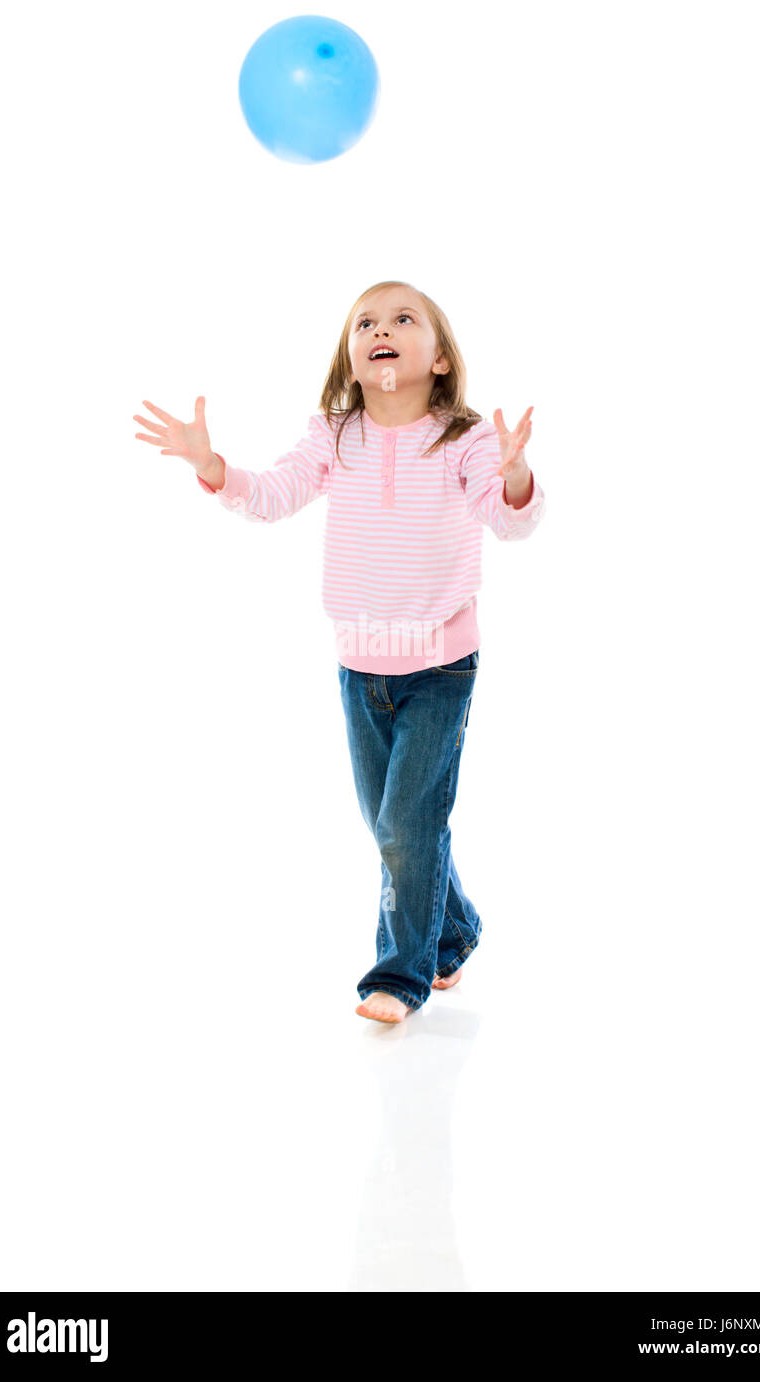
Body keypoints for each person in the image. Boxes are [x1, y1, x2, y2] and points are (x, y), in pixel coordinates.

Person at [133, 280, 545, 1024]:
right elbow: (274, 494)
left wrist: (514, 474)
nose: (380, 328)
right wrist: (214, 466)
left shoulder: (467, 437)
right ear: (352, 360)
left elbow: (507, 521)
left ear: (443, 359)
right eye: (365, 323)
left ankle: (400, 976)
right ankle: (455, 932)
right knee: (390, 821)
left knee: (407, 824)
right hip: (360, 663)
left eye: (402, 318)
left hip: (440, 665)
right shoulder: (334, 434)